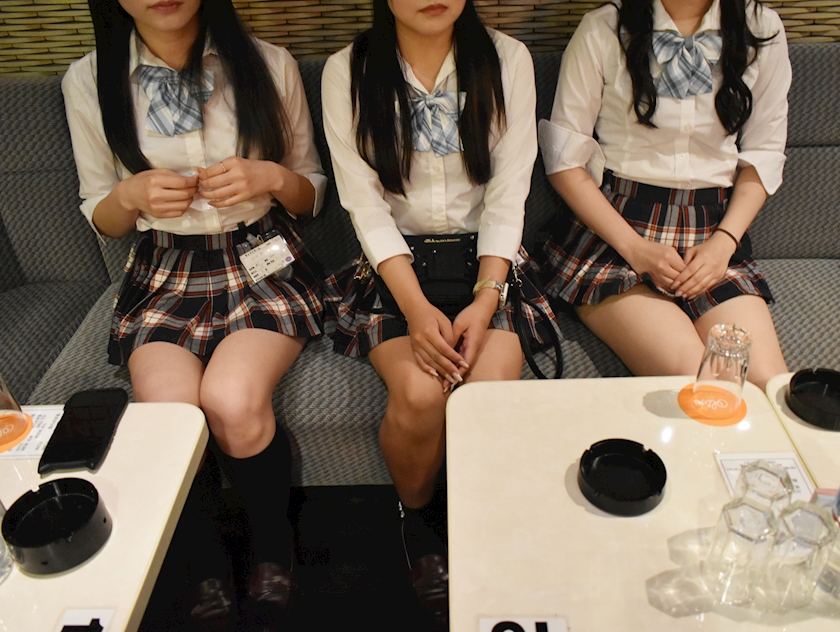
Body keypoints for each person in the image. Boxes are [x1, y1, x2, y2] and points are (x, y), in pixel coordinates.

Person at [62, 0, 327, 628]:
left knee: (232, 400)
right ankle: (205, 561)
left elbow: (311, 193)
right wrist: (129, 194)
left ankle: (273, 549)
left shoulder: (269, 64)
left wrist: (270, 176)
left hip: (260, 257)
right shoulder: (89, 78)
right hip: (164, 267)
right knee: (170, 413)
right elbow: (101, 213)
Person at [321, 0, 555, 624]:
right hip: (396, 268)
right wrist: (416, 308)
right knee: (422, 395)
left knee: (486, 396)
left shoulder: (507, 59)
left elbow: (510, 190)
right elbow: (363, 204)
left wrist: (487, 295)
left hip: (488, 263)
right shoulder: (347, 70)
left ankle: (477, 526)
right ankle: (419, 521)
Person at [539, 0, 789, 390]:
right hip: (617, 238)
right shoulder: (603, 28)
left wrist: (724, 243)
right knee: (701, 382)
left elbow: (765, 153)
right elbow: (564, 164)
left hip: (712, 235)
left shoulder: (760, 27)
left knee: (768, 384)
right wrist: (636, 249)